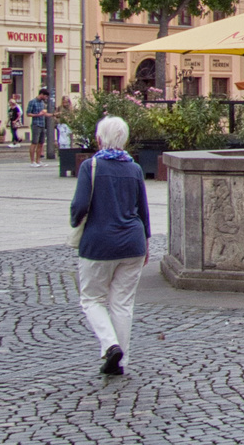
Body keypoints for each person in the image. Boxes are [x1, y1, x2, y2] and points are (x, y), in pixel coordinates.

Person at [71, 115, 150, 376]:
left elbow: (80, 206)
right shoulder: (135, 168)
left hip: (99, 242)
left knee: (92, 298)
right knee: (122, 303)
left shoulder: (90, 167)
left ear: (99, 138)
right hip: (133, 244)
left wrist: (75, 221)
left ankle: (110, 344)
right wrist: (147, 243)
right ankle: (121, 360)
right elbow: (143, 210)